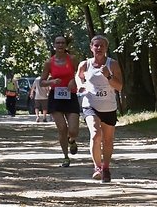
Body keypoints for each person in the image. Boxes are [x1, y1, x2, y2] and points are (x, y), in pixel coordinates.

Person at [76, 35, 124, 182]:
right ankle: (97, 167)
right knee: (96, 134)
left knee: (108, 140)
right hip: (90, 105)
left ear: (106, 48)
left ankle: (106, 168)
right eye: (96, 45)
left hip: (109, 106)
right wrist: (80, 85)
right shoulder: (85, 64)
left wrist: (108, 76)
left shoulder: (113, 64)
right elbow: (78, 76)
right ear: (91, 48)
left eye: (102, 45)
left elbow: (119, 87)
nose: (99, 48)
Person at [41, 35, 81, 166]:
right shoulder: (49, 62)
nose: (60, 45)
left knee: (73, 130)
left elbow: (81, 74)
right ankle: (65, 157)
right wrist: (52, 81)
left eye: (62, 43)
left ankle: (71, 140)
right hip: (56, 97)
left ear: (66, 45)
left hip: (71, 96)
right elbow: (42, 82)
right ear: (54, 45)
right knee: (62, 128)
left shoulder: (73, 59)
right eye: (57, 43)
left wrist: (74, 80)